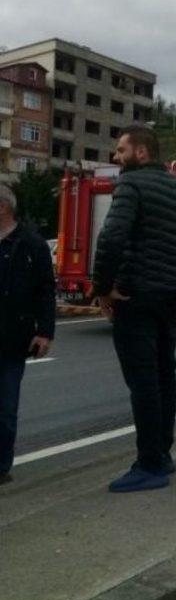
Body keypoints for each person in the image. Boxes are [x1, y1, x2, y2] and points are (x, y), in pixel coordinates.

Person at [93, 125, 176, 493]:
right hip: (168, 296)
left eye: (121, 150)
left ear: (142, 152)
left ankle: (149, 464)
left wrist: (103, 288)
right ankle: (163, 453)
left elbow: (112, 236)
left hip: (136, 295)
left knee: (143, 380)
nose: (116, 157)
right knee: (164, 374)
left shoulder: (131, 185)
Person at [0, 185, 56, 484]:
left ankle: (1, 465)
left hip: (12, 337)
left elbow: (47, 289)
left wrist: (45, 332)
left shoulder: (31, 244)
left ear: (3, 208)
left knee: (6, 407)